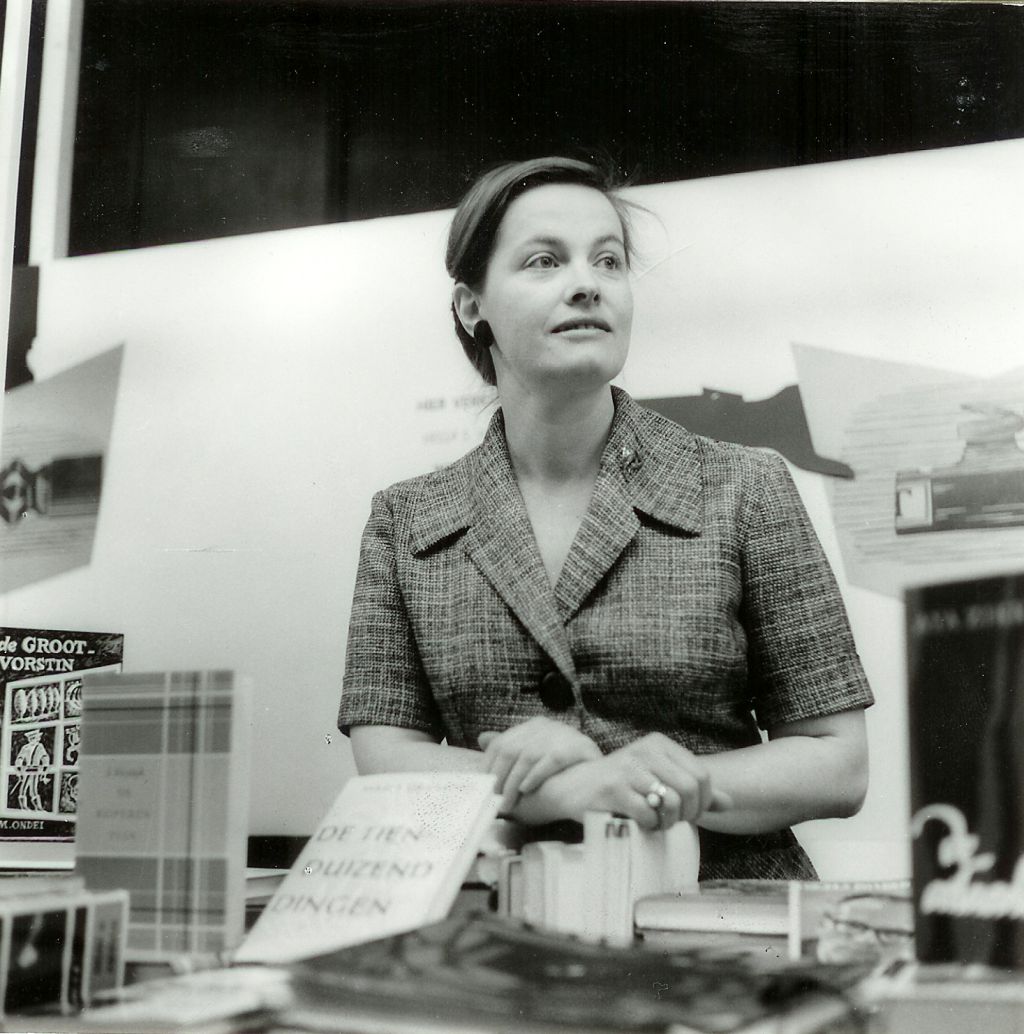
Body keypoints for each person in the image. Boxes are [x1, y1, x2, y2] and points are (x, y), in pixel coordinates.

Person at [338, 156, 873, 879]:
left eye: (609, 261)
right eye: (544, 260)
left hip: (723, 918)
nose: (586, 282)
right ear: (472, 307)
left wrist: (663, 782)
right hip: (508, 920)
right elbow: (387, 767)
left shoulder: (744, 486)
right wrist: (571, 786)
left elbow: (837, 764)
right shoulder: (406, 521)